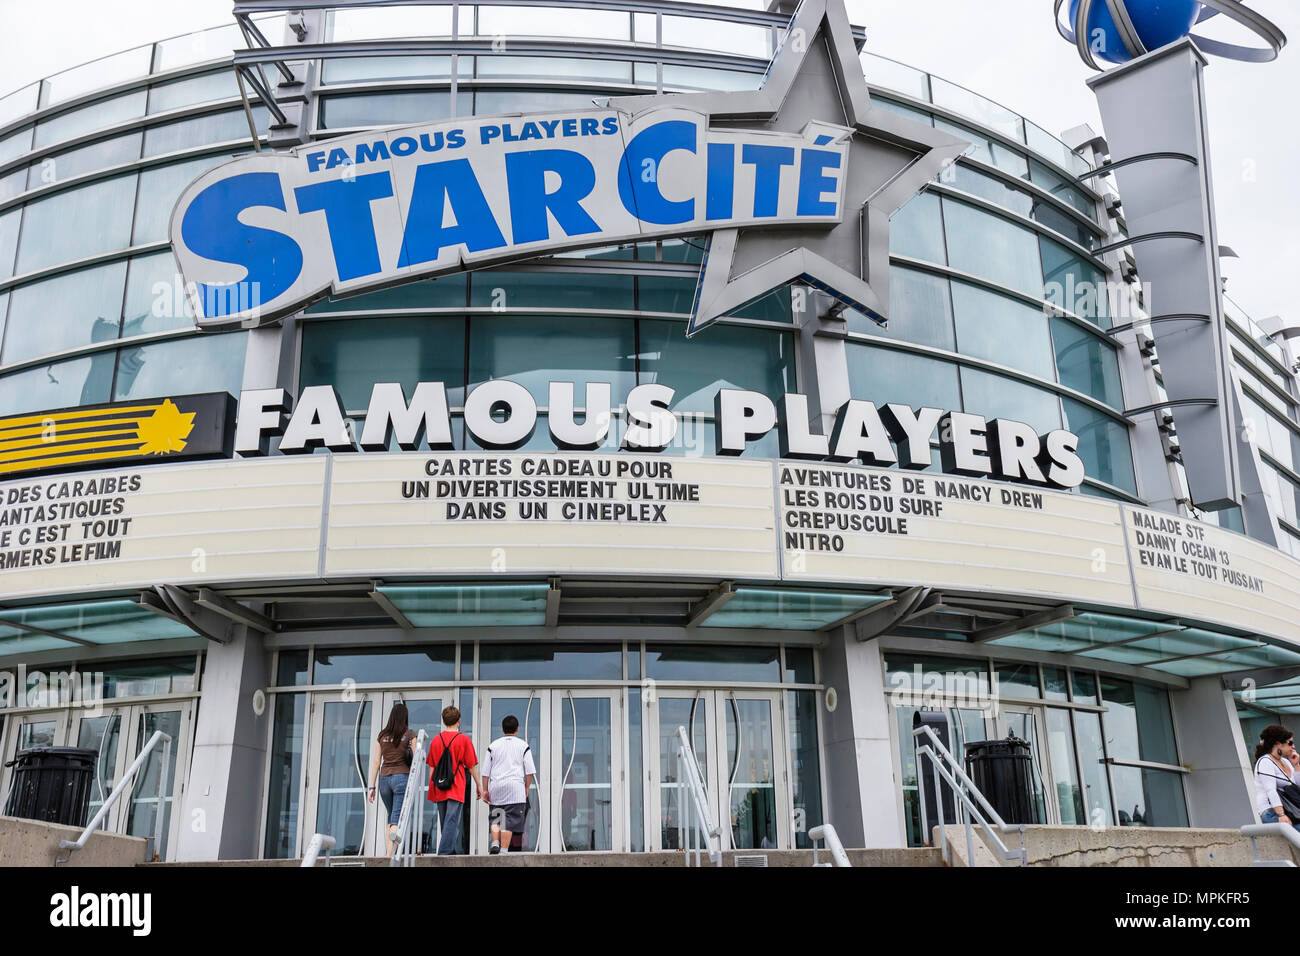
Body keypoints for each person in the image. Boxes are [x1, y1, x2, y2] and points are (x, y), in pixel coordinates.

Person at [425, 705, 483, 855]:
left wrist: (432, 785)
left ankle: (448, 851)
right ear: (459, 721)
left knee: (445, 820)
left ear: (444, 721)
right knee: (452, 820)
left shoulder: (436, 740)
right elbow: (471, 766)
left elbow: (431, 766)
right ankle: (444, 853)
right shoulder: (463, 739)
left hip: (439, 785)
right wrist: (479, 785)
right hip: (456, 785)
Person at [480, 714, 536, 855]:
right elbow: (529, 771)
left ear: (502, 729)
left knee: (496, 816)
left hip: (497, 786)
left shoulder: (493, 746)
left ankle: (494, 842)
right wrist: (527, 787)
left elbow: (485, 772)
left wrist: (485, 790)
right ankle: (504, 850)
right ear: (517, 729)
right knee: (510, 819)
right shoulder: (523, 746)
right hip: (515, 788)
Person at [367, 702, 415, 858]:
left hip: (384, 780)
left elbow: (376, 762)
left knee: (391, 816)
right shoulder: (410, 734)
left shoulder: (382, 735)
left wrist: (371, 787)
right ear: (405, 717)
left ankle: (388, 854)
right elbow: (415, 761)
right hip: (402, 777)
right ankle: (389, 857)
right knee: (396, 818)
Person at [1253, 723, 1296, 826]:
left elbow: (1296, 785)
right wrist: (1281, 815)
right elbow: (1270, 790)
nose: (1293, 746)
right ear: (1278, 744)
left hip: (1289, 809)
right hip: (1271, 812)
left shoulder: (1286, 762)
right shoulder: (1265, 761)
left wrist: (1296, 765)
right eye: (1290, 743)